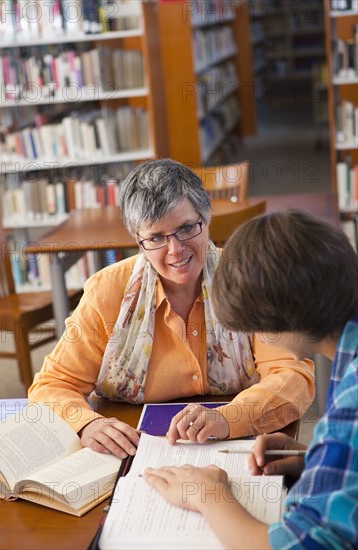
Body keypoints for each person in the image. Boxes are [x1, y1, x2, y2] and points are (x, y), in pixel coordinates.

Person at [29, 160, 314, 459]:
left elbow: (294, 376)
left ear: (207, 218)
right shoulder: (107, 292)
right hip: (134, 449)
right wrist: (86, 424)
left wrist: (229, 418)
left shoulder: (253, 278)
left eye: (186, 228)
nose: (176, 250)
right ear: (138, 241)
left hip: (238, 442)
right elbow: (52, 386)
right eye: (155, 238)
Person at [145, 210, 358, 549]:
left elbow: (296, 545)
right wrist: (317, 457)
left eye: (257, 328)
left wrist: (208, 494)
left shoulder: (351, 407)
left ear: (285, 319)